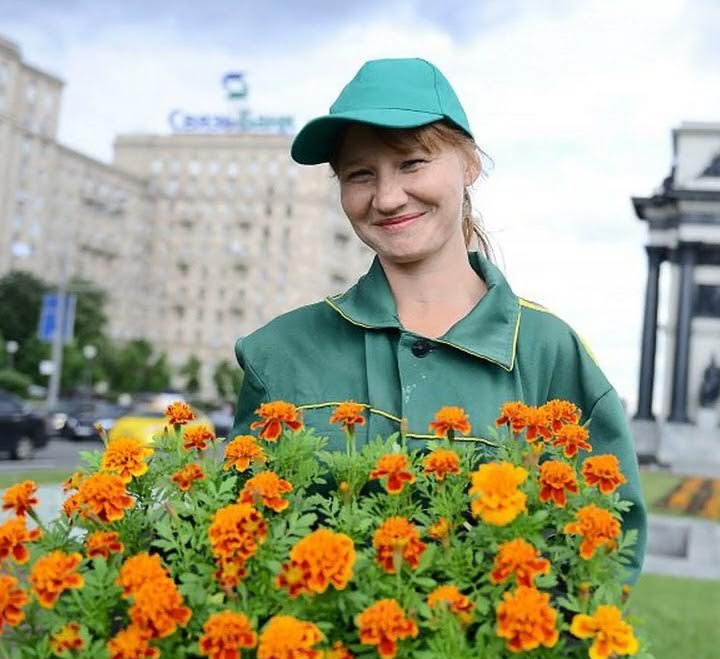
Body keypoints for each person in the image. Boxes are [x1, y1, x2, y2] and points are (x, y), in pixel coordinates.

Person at [230, 58, 647, 581]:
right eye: (360, 174)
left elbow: (605, 561)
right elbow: (240, 548)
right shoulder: (278, 352)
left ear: (469, 163)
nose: (386, 197)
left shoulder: (549, 353)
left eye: (411, 163)